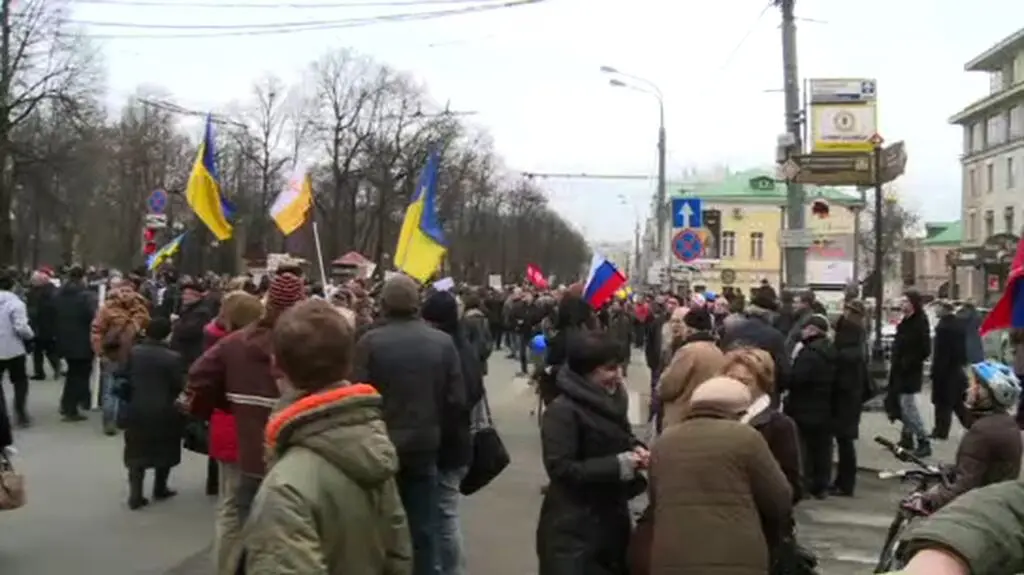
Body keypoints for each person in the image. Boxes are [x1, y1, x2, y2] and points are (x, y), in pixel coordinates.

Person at [238, 299, 413, 574]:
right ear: (347, 364)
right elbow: (398, 550)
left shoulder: (286, 487)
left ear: (276, 367)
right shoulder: (373, 446)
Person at [351, 274, 466, 575]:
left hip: (378, 446)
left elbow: (356, 396)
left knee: (378, 525)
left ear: (384, 303)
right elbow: (456, 400)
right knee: (422, 527)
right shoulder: (442, 343)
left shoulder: (369, 342)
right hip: (425, 445)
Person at [648, 376, 792, 574]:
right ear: (741, 411)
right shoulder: (746, 438)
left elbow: (655, 499)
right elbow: (779, 499)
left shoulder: (665, 441)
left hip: (673, 555)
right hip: (737, 555)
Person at [536, 330, 647, 575]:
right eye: (609, 369)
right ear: (585, 372)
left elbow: (620, 435)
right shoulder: (561, 411)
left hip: (611, 519)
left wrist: (635, 447)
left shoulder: (614, 400)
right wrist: (620, 464)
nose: (618, 376)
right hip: (574, 527)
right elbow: (561, 468)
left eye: (619, 367)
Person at [421, 290, 483, 575]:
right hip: (458, 443)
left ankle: (451, 569)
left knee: (444, 516)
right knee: (444, 513)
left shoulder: (446, 350)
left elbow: (457, 399)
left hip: (448, 444)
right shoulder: (462, 348)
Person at [203, 291, 264, 574]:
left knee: (229, 506)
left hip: (223, 425)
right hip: (239, 428)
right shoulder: (236, 347)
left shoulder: (216, 340)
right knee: (235, 509)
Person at [914, 360, 1022, 513]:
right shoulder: (1006, 423)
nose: (970, 389)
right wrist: (954, 469)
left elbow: (964, 487)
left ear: (987, 394)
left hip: (981, 510)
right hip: (1001, 504)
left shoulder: (982, 432)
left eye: (976, 385)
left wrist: (928, 501)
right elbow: (986, 467)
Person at [115, 317, 184, 510]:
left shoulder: (134, 353)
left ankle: (135, 495)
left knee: (136, 453)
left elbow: (121, 374)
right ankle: (160, 488)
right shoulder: (173, 358)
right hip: (165, 410)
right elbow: (179, 385)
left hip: (136, 408)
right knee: (165, 450)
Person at [723, 347, 802, 502]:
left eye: (745, 382)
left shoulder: (779, 425)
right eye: (731, 379)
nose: (736, 386)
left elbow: (792, 487)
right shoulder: (717, 416)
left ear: (762, 384)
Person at [785, 313, 836, 499]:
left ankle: (805, 484)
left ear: (813, 330)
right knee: (822, 448)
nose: (803, 332)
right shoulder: (831, 350)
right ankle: (821, 485)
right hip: (825, 406)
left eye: (805, 329)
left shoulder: (809, 354)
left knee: (804, 449)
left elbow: (797, 379)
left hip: (805, 407)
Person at [886, 289, 932, 457]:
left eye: (905, 301)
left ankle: (923, 440)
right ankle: (906, 437)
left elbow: (925, 349)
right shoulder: (906, 320)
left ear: (913, 303)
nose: (902, 304)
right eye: (902, 301)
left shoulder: (920, 321)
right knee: (902, 405)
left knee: (908, 407)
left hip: (910, 371)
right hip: (900, 370)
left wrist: (908, 362)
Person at [831, 299, 870, 496]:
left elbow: (843, 379)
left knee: (845, 442)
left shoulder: (847, 350)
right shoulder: (858, 342)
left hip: (846, 401)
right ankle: (843, 482)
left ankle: (845, 484)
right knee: (845, 441)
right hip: (851, 399)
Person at [53, 265, 98, 421]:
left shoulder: (59, 295)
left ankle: (67, 404)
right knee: (79, 376)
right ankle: (70, 408)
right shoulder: (86, 297)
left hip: (64, 340)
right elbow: (93, 318)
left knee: (72, 374)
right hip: (82, 341)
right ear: (82, 278)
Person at [930, 300, 970, 439]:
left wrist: (936, 371)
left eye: (938, 307)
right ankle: (971, 425)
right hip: (956, 369)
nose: (936, 310)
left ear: (945, 309)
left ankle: (941, 431)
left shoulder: (944, 327)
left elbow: (941, 352)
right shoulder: (957, 324)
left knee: (943, 402)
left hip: (945, 370)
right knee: (957, 402)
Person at [0, 271, 34, 428]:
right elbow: (21, 327)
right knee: (20, 382)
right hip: (13, 349)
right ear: (12, 286)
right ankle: (20, 413)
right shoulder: (16, 304)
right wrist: (30, 335)